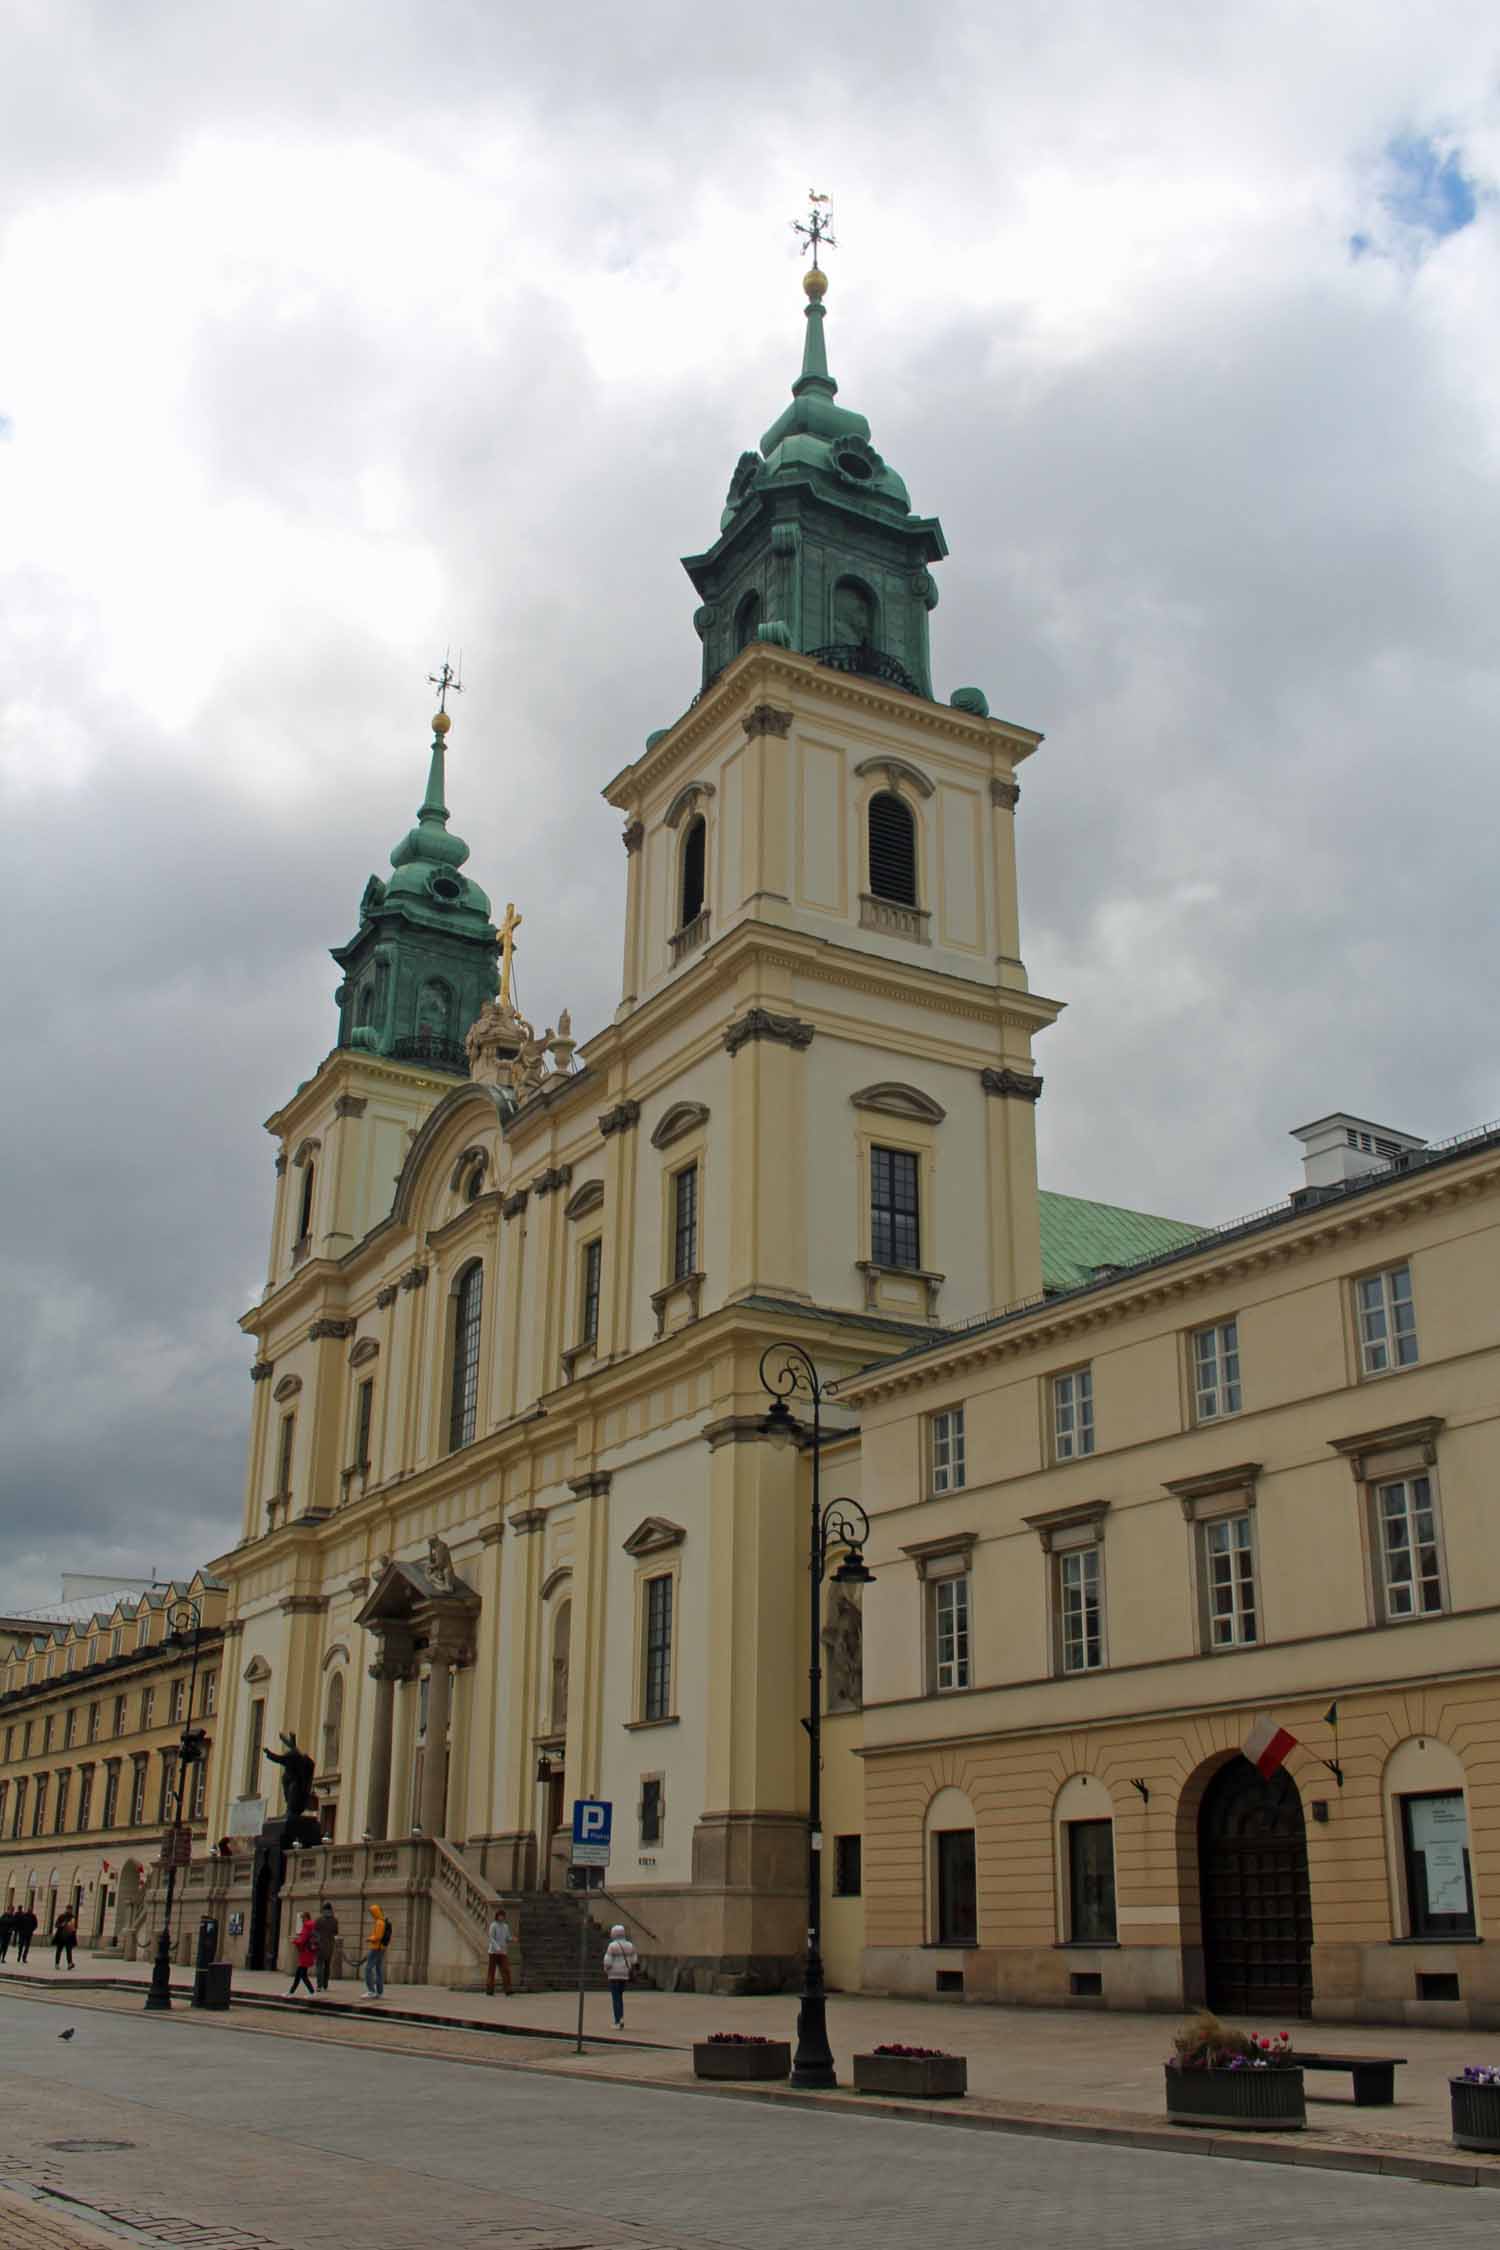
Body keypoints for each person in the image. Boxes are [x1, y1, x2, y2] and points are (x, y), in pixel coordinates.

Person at [602, 1924, 638, 2028]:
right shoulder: (630, 1945)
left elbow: (607, 1961)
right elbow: (634, 1960)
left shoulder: (612, 1946)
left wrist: (606, 1970)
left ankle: (618, 2020)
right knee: (620, 1996)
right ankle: (620, 2017)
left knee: (615, 1997)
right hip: (625, 1974)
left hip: (614, 1975)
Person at [361, 1902, 390, 1998]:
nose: (371, 1915)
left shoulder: (379, 1923)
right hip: (381, 1948)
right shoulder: (383, 1921)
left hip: (376, 1948)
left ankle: (371, 1991)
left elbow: (377, 1937)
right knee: (378, 1970)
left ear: (375, 1912)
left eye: (372, 1913)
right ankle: (379, 1992)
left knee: (368, 1969)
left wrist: (369, 1938)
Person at [287, 1912, 318, 1998]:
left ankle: (312, 1992)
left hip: (305, 1952)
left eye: (302, 1918)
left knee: (302, 1975)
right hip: (309, 1952)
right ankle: (291, 1992)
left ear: (305, 1918)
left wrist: (294, 1941)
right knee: (299, 1974)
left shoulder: (307, 1926)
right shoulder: (313, 1925)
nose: (301, 1920)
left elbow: (302, 1940)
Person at [313, 1900, 339, 1991]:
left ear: (323, 1910)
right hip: (330, 1946)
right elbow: (336, 1932)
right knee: (327, 1966)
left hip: (320, 1946)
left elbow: (314, 1932)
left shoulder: (318, 1920)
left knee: (319, 1965)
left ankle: (319, 1986)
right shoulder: (334, 1920)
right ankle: (325, 1985)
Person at [486, 1909, 512, 1997]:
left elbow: (507, 1937)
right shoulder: (493, 1925)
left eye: (503, 1916)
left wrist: (512, 1939)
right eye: (500, 1916)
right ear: (497, 1916)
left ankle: (508, 1989)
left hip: (503, 1952)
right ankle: (490, 1990)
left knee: (506, 1970)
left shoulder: (505, 1926)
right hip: (493, 1952)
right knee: (491, 1971)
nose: (501, 1917)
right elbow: (491, 1938)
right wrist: (497, 1948)